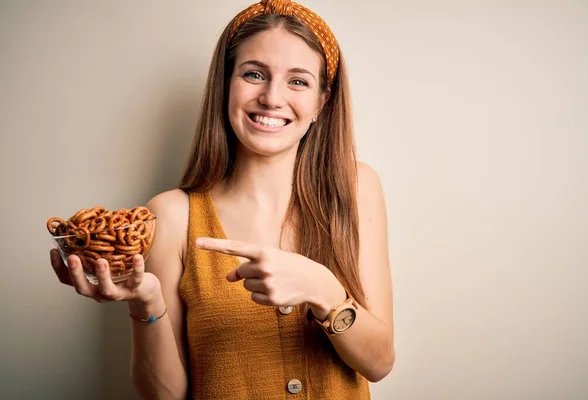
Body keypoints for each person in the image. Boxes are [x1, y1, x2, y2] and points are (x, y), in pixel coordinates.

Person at [50, 0, 394, 398]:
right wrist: (146, 304)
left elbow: (379, 362)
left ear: (321, 102)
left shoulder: (355, 188)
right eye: (253, 74)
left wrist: (325, 291)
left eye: (297, 81)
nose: (271, 97)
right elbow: (165, 396)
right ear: (225, 85)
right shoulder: (172, 215)